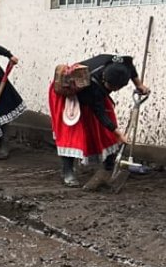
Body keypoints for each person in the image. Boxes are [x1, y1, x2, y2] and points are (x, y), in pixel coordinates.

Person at [49, 54, 150, 188]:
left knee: (106, 131)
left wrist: (139, 85)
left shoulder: (120, 64)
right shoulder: (93, 84)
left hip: (93, 95)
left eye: (116, 89)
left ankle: (108, 167)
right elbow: (100, 113)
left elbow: (130, 67)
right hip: (70, 93)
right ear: (104, 79)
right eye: (111, 87)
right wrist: (118, 133)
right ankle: (67, 171)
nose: (113, 91)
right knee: (72, 134)